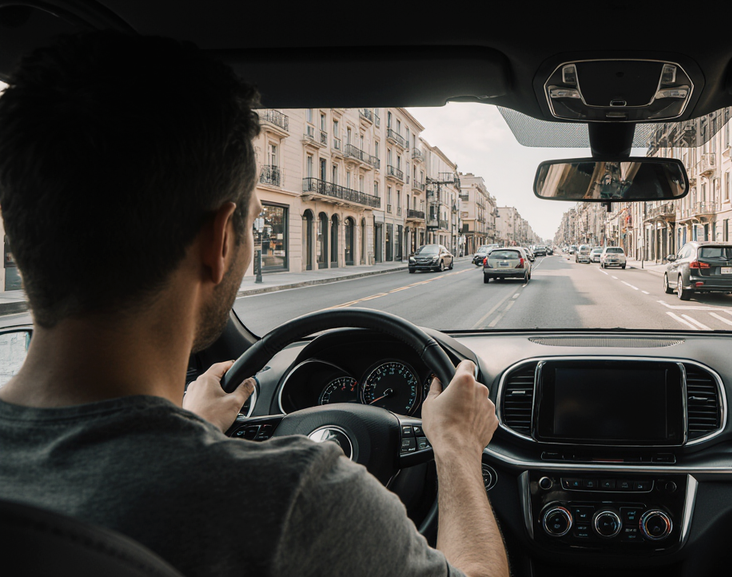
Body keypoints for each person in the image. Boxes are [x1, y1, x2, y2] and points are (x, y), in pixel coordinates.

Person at [0, 33, 507, 577]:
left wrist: (188, 424)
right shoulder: (291, 501)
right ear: (220, 241)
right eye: (254, 220)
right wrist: (455, 447)